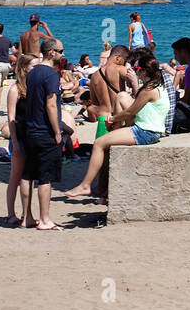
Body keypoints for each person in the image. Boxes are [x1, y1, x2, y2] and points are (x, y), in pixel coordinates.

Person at [65, 52, 170, 200]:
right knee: (121, 96)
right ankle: (116, 130)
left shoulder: (148, 90)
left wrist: (112, 118)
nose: (134, 71)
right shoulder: (156, 85)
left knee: (99, 143)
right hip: (148, 128)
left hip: (145, 132)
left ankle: (85, 185)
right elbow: (131, 107)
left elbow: (131, 111)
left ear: (144, 71)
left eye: (137, 68)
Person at [21, 46, 64, 231]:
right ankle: (44, 219)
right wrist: (57, 131)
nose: (63, 54)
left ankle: (26, 218)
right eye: (61, 50)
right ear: (51, 52)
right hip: (44, 130)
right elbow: (51, 104)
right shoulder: (51, 74)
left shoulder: (33, 72)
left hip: (30, 129)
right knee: (45, 177)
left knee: (28, 174)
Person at [3, 53, 37, 226]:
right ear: (25, 68)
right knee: (15, 176)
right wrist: (15, 142)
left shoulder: (33, 87)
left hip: (31, 137)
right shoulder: (15, 89)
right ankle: (11, 213)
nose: (36, 69)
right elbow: (11, 118)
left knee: (28, 177)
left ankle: (26, 214)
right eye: (34, 66)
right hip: (19, 137)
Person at [86, 44, 130, 124]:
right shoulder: (120, 69)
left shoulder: (94, 76)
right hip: (119, 117)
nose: (125, 63)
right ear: (118, 58)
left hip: (103, 119)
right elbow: (133, 80)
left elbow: (94, 102)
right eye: (125, 60)